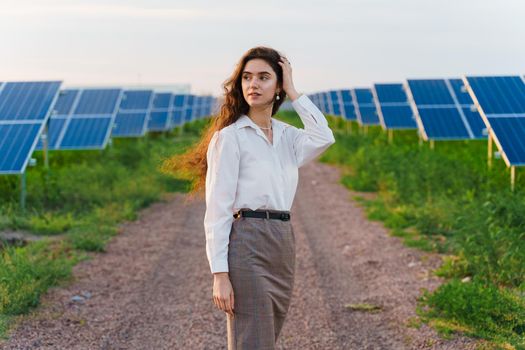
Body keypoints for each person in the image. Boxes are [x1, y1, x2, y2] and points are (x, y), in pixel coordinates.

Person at [165, 46, 335, 349]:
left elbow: (324, 136)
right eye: (246, 77)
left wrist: (294, 91)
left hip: (283, 240)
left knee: (267, 334)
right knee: (252, 340)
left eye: (263, 77)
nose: (253, 84)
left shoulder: (288, 136)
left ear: (278, 86)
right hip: (247, 241)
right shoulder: (229, 138)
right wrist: (220, 274)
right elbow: (217, 209)